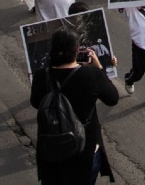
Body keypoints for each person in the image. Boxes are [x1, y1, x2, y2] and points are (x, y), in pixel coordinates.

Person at [29, 28, 119, 184]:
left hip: (51, 147)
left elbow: (36, 103)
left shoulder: (41, 75)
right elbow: (112, 98)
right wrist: (99, 69)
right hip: (84, 148)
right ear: (77, 50)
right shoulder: (92, 75)